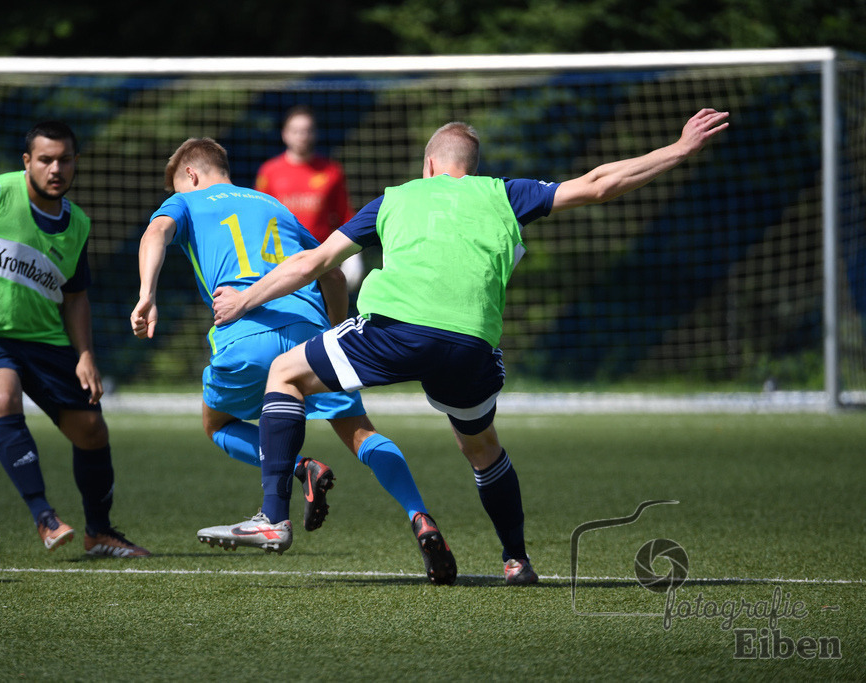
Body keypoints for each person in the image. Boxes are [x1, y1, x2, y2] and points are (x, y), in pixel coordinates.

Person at [211, 108, 730, 585]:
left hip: (394, 334)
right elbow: (598, 185)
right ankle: (516, 559)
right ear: (471, 166)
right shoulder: (505, 193)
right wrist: (679, 149)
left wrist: (243, 301)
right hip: (470, 346)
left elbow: (313, 264)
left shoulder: (396, 197)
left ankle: (273, 519)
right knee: (482, 449)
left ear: (429, 164)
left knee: (285, 372)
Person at [129, 138, 455, 583]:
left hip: (246, 332)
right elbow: (333, 273)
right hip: (312, 337)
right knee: (361, 433)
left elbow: (155, 234)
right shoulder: (275, 206)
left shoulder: (185, 201)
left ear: (190, 175)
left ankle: (298, 471)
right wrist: (334, 337)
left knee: (217, 424)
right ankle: (420, 516)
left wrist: (147, 293)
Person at [0, 121, 149, 558]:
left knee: (92, 431)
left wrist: (85, 355)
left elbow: (76, 296)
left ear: (76, 163)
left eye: (64, 160)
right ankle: (44, 517)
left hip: (43, 339)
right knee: (4, 394)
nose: (55, 168)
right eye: (45, 159)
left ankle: (99, 532)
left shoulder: (77, 223)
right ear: (28, 162)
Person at [256, 105, 364, 289]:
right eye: (296, 131)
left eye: (307, 131)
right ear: (285, 134)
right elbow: (258, 219)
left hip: (321, 262)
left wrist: (354, 254)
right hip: (278, 264)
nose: (302, 136)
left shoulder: (332, 172)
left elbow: (345, 216)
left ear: (315, 134)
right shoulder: (269, 172)